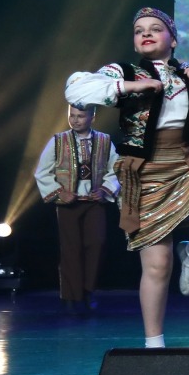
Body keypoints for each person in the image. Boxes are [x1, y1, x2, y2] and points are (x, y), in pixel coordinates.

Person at [64, 7, 189, 348]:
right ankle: (154, 344)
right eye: (139, 30)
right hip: (145, 169)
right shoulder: (122, 71)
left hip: (188, 161)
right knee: (157, 265)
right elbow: (76, 90)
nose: (146, 33)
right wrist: (130, 86)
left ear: (174, 39)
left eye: (155, 28)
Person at [33, 104, 120, 314]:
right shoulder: (58, 140)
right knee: (70, 249)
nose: (75, 120)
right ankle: (71, 296)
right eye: (72, 115)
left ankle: (89, 291)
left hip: (93, 202)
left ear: (92, 117)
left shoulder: (104, 141)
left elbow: (116, 168)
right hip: (68, 204)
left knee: (96, 244)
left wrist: (105, 189)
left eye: (80, 116)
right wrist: (59, 192)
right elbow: (42, 172)